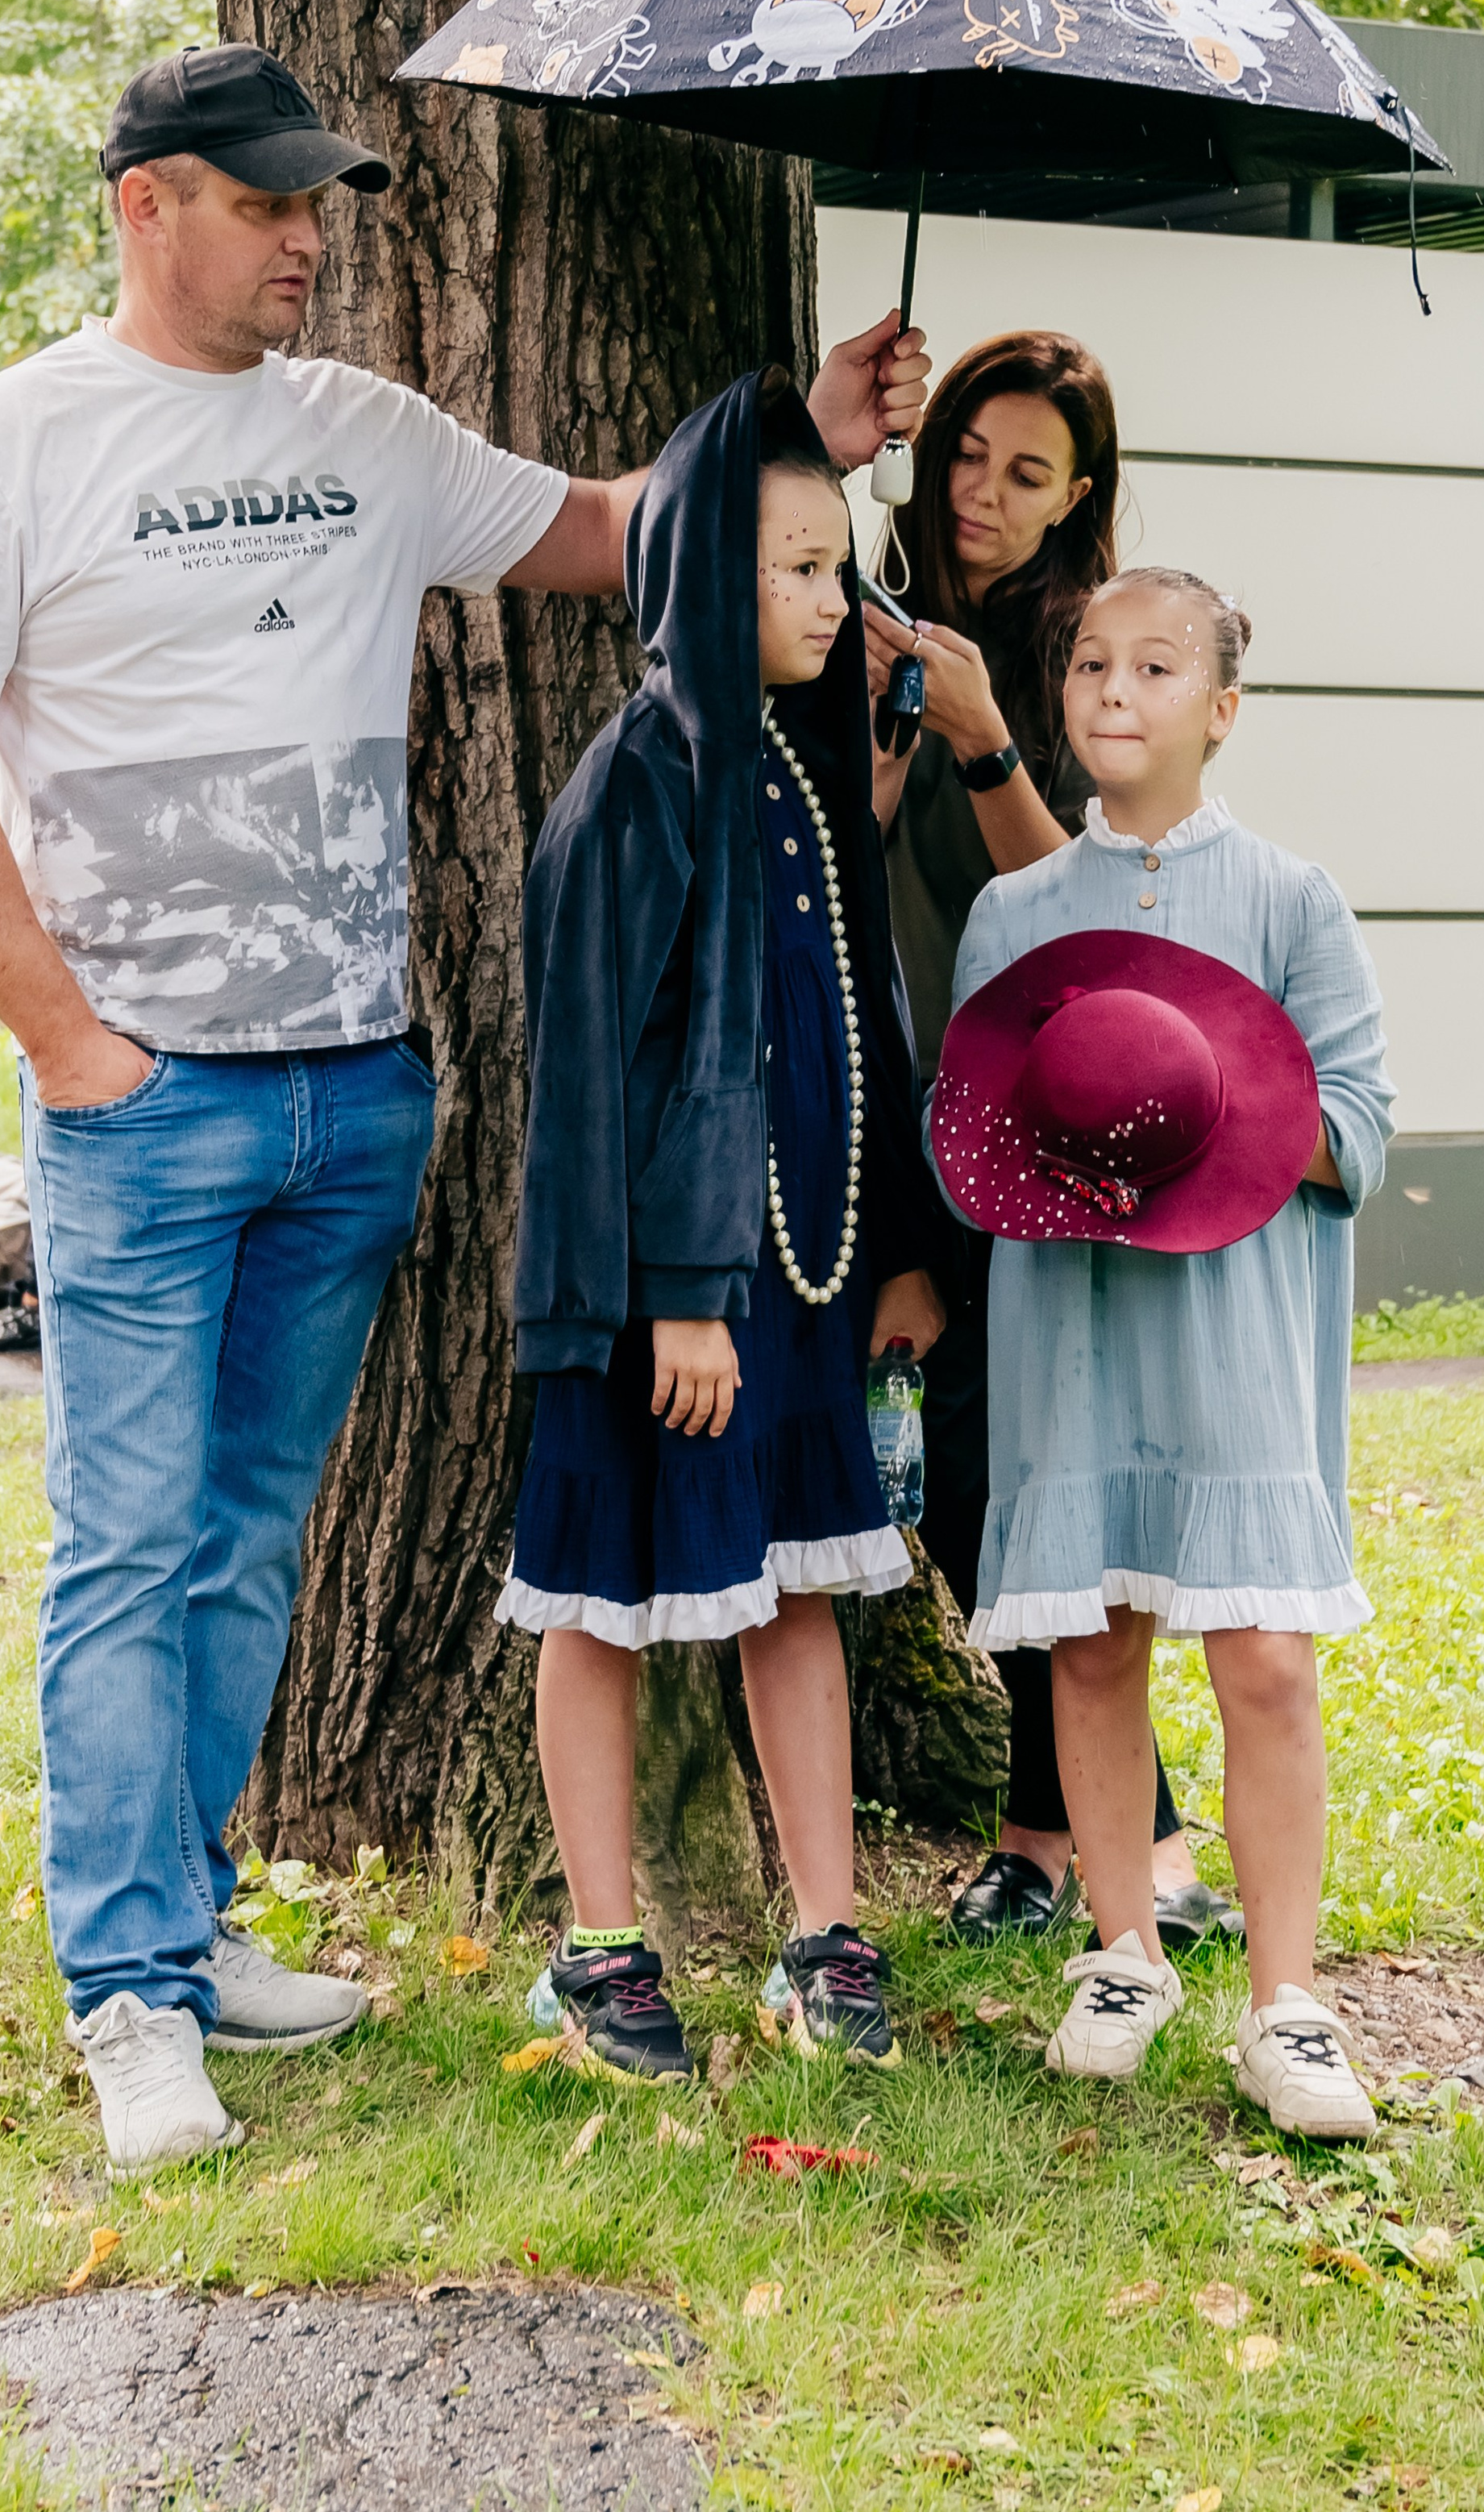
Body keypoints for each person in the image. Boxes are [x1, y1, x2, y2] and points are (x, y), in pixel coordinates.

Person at [0, 39, 926, 2170]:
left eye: (316, 197)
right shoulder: (11, 446)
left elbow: (625, 533)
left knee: (253, 1540)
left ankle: (198, 1920)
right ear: (145, 203)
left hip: (354, 1101)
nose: (304, 235)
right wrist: (73, 1049)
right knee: (127, 1546)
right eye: (262, 201)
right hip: (143, 1114)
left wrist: (805, 428)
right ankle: (129, 1995)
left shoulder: (365, 432)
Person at [497, 367, 958, 2082]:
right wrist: (674, 1295)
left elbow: (854, 1017)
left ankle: (821, 1931)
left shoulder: (799, 767)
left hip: (806, 1274)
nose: (832, 604)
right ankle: (599, 1945)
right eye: (792, 571)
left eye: (838, 569)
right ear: (695, 569)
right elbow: (598, 1080)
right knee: (601, 1599)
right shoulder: (635, 782)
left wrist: (896, 1246)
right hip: (656, 1298)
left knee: (795, 1598)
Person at [930, 566, 1394, 2136]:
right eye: (1086, 666)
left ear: (1220, 707)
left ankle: (1285, 1999)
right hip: (1073, 1332)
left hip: (1230, 1341)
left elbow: (1356, 1126)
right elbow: (971, 1127)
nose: (1111, 692)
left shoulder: (1285, 897)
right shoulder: (1013, 912)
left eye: (1152, 665)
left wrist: (1218, 1113)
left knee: (1260, 1659)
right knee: (1092, 1640)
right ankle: (1120, 1948)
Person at [858, 331, 1222, 1951]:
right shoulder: (862, 610)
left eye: (1025, 471)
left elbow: (1079, 900)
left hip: (1034, 1122)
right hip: (887, 1115)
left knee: (1019, 1481)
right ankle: (1086, 1825)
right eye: (962, 456)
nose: (982, 493)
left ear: (1077, 496)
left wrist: (981, 731)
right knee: (946, 1481)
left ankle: (1089, 1833)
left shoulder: (1081, 651)